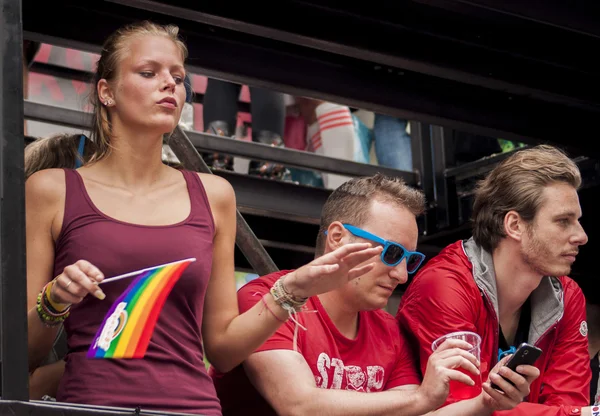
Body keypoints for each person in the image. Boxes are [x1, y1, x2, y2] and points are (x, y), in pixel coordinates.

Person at [25, 20, 381, 415]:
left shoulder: (214, 196)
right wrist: (53, 301)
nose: (170, 85)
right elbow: (21, 357)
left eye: (178, 77)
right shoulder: (50, 190)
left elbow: (224, 351)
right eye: (149, 73)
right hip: (92, 407)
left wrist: (295, 287)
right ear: (106, 91)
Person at [211, 174, 539, 416]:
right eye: (392, 253)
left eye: (410, 260)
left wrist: (486, 401)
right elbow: (298, 405)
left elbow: (415, 413)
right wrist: (422, 398)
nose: (400, 275)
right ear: (338, 237)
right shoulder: (268, 298)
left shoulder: (388, 331)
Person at [396, 145, 593, 415]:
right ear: (514, 225)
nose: (581, 236)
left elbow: (570, 405)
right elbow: (461, 409)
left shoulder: (568, 295)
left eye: (577, 221)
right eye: (563, 221)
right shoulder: (444, 285)